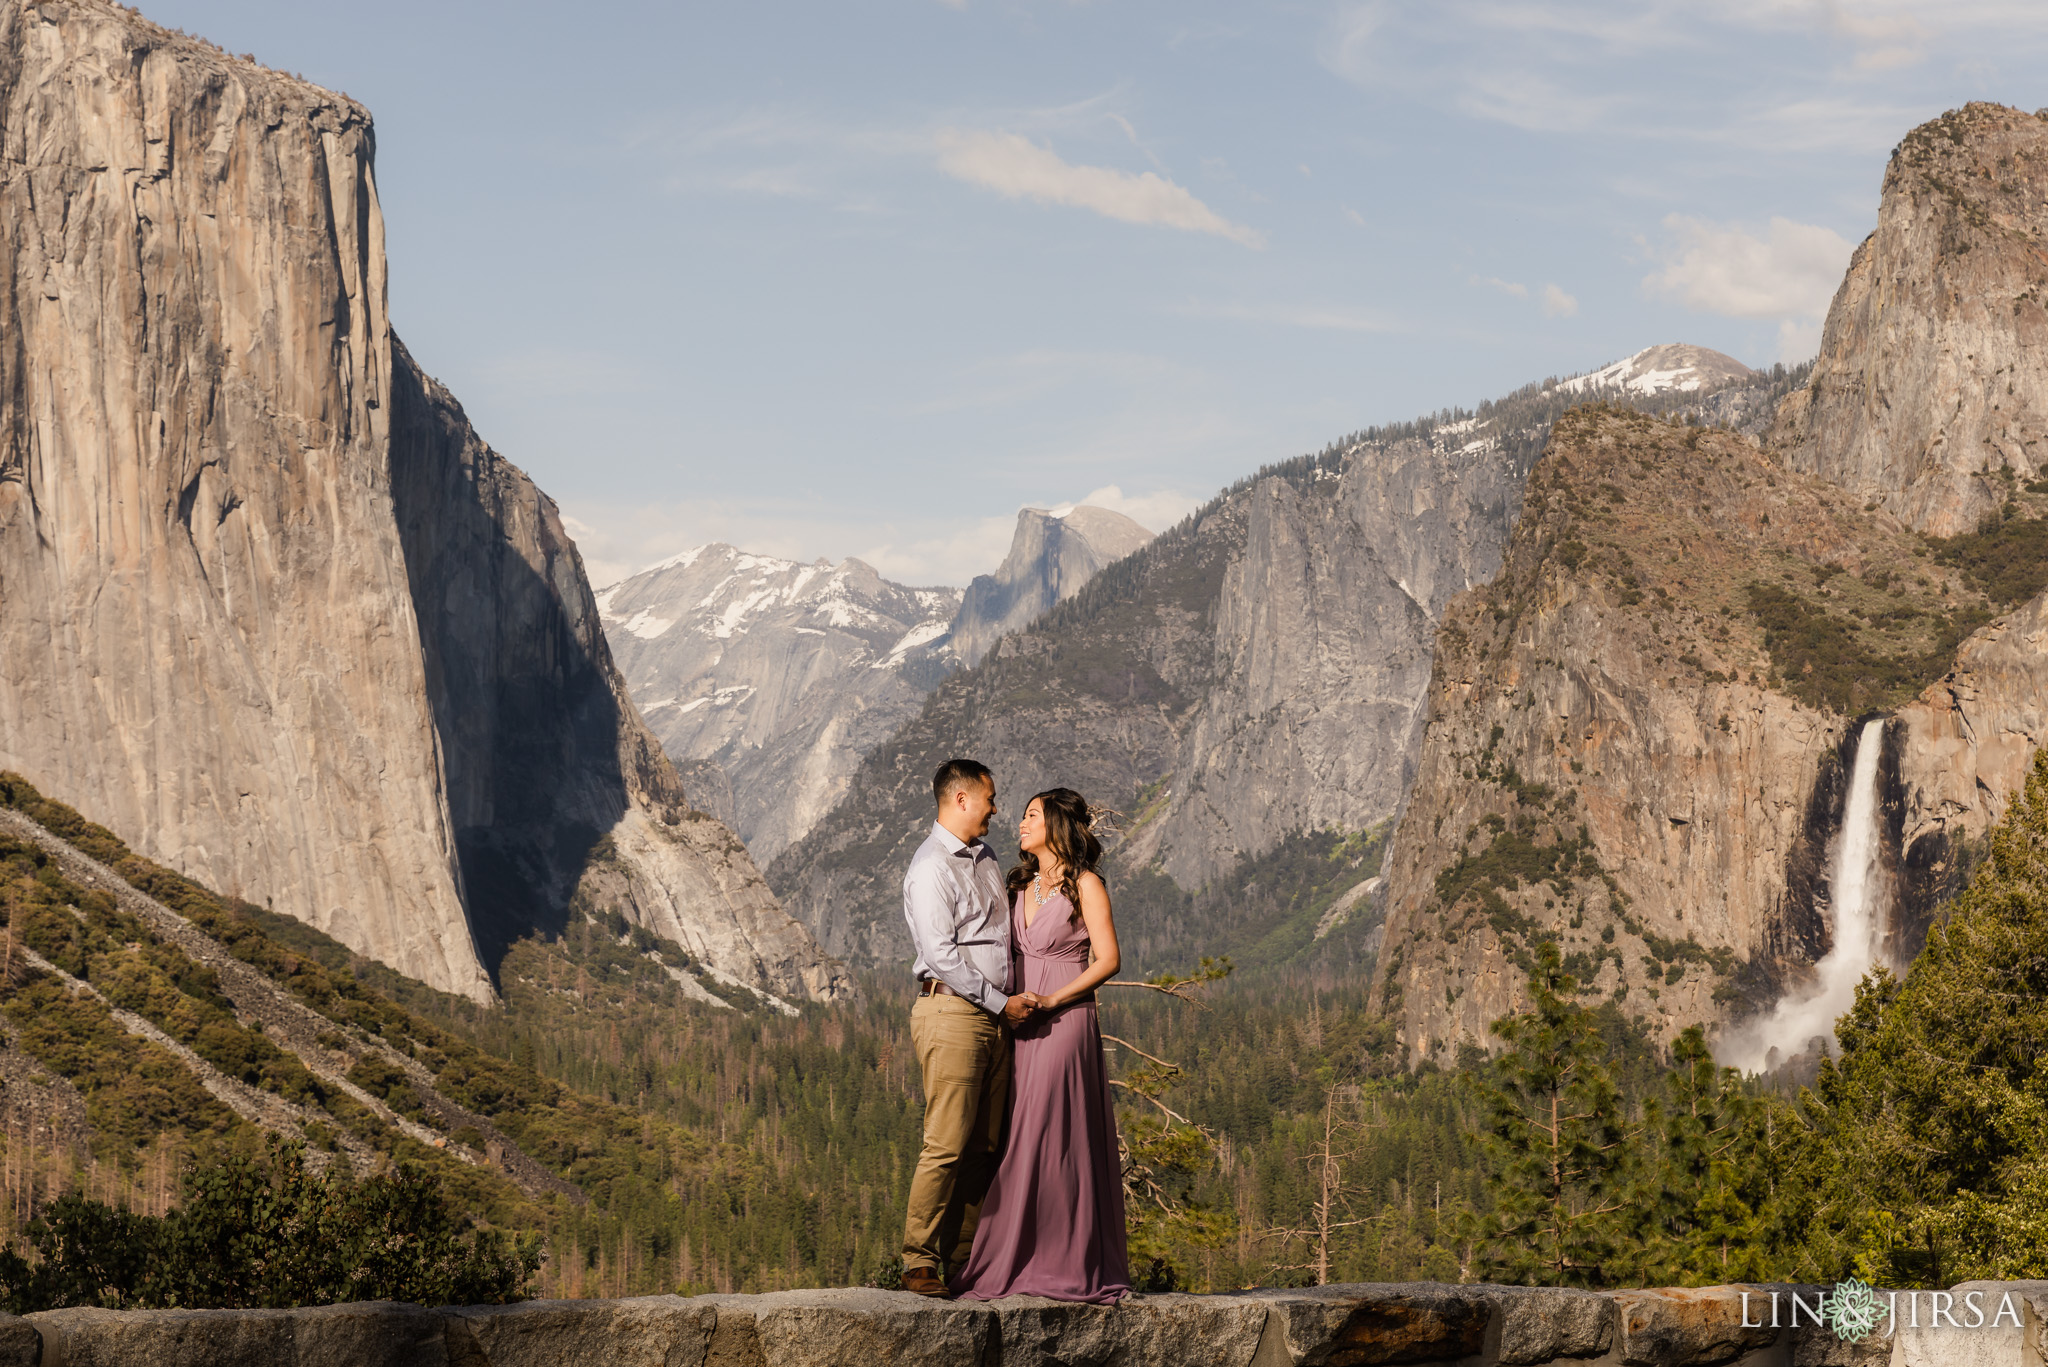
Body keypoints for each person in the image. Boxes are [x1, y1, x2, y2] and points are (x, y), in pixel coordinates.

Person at [951, 787, 1132, 1304]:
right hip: (1018, 1021)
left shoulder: (1087, 884)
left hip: (1064, 1020)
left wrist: (1054, 1000)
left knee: (1052, 1136)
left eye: (1032, 815)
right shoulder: (1018, 885)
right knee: (1014, 1133)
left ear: (1055, 824)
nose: (1021, 822)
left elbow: (1108, 959)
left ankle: (1061, 1257)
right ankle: (1014, 1253)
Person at [899, 758, 1041, 1298]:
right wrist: (999, 1002)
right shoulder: (930, 867)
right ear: (961, 799)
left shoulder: (985, 858)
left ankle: (964, 1261)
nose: (995, 808)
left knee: (985, 1144)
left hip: (994, 1015)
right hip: (955, 1012)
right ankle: (919, 1262)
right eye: (990, 798)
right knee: (946, 1142)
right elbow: (940, 954)